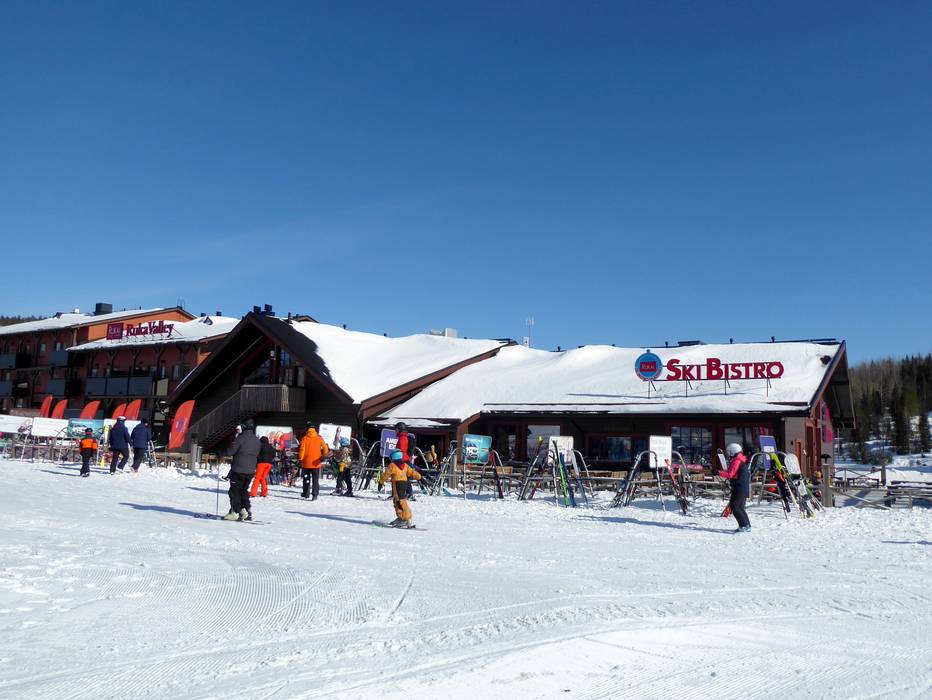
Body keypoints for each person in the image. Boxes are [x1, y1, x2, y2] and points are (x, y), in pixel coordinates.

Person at [225, 419, 260, 520]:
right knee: (243, 491)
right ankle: (245, 510)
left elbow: (231, 451)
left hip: (239, 469)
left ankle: (235, 512)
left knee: (234, 491)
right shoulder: (257, 440)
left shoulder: (241, 438)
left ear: (244, 427)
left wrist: (221, 452)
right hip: (250, 470)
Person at [378, 449, 422, 528]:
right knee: (399, 500)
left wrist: (381, 482)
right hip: (404, 484)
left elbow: (386, 474)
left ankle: (405, 519)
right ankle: (401, 517)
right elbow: (412, 472)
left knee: (399, 502)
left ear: (393, 457)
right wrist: (420, 477)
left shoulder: (392, 465)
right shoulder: (405, 465)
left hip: (397, 484)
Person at [718, 442, 751, 532]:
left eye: (729, 452)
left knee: (735, 506)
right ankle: (746, 525)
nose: (728, 454)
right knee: (740, 507)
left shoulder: (737, 461)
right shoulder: (740, 460)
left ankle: (744, 526)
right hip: (742, 487)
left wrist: (718, 472)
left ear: (733, 452)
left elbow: (730, 474)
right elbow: (735, 474)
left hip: (739, 487)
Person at [298, 423, 330, 500]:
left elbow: (302, 450)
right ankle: (315, 495)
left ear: (307, 429)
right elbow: (325, 447)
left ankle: (306, 493)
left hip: (306, 463)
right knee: (315, 480)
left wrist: (300, 459)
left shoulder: (305, 438)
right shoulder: (319, 438)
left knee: (306, 479)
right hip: (316, 463)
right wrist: (324, 455)